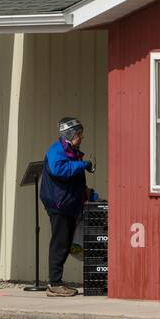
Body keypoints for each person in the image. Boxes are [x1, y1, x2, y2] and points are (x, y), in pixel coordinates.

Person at [39, 116, 95, 297]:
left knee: (65, 242)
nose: (81, 138)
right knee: (60, 243)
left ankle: (56, 282)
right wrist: (82, 165)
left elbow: (73, 177)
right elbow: (59, 170)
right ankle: (54, 284)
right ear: (70, 134)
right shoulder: (56, 150)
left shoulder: (71, 150)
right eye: (79, 134)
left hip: (69, 204)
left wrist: (86, 192)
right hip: (59, 204)